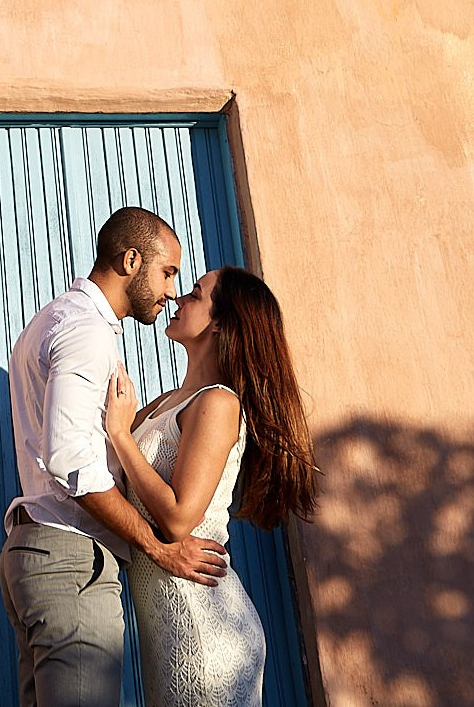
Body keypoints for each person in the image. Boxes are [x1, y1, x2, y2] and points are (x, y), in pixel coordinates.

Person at [0, 207, 231, 707]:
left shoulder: (57, 319)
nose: (173, 290)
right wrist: (158, 547)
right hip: (69, 560)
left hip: (45, 555)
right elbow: (69, 460)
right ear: (131, 260)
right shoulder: (86, 332)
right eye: (168, 272)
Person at [103, 266, 319, 707]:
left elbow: (180, 518)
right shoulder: (164, 404)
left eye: (195, 295)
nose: (179, 299)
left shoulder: (218, 402)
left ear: (219, 321)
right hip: (168, 631)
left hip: (206, 631)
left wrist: (121, 436)